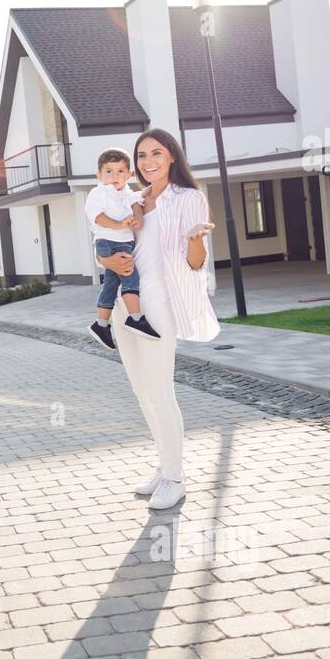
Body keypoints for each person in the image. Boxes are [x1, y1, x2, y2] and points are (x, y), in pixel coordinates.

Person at [97, 129, 218, 511]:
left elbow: (196, 263)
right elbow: (105, 243)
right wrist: (104, 260)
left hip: (159, 304)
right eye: (142, 155)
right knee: (142, 392)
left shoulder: (189, 198)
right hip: (123, 304)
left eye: (157, 153)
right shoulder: (130, 199)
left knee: (161, 391)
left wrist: (196, 238)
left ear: (172, 157)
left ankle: (176, 478)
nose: (148, 162)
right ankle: (165, 466)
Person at [84, 148, 158, 349]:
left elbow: (136, 209)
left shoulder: (128, 194)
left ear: (129, 175)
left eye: (120, 171)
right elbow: (97, 216)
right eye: (109, 171)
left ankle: (101, 324)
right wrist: (119, 225)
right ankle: (135, 318)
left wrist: (136, 220)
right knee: (129, 275)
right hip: (109, 241)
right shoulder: (99, 192)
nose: (115, 176)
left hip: (123, 242)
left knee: (110, 284)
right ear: (99, 175)